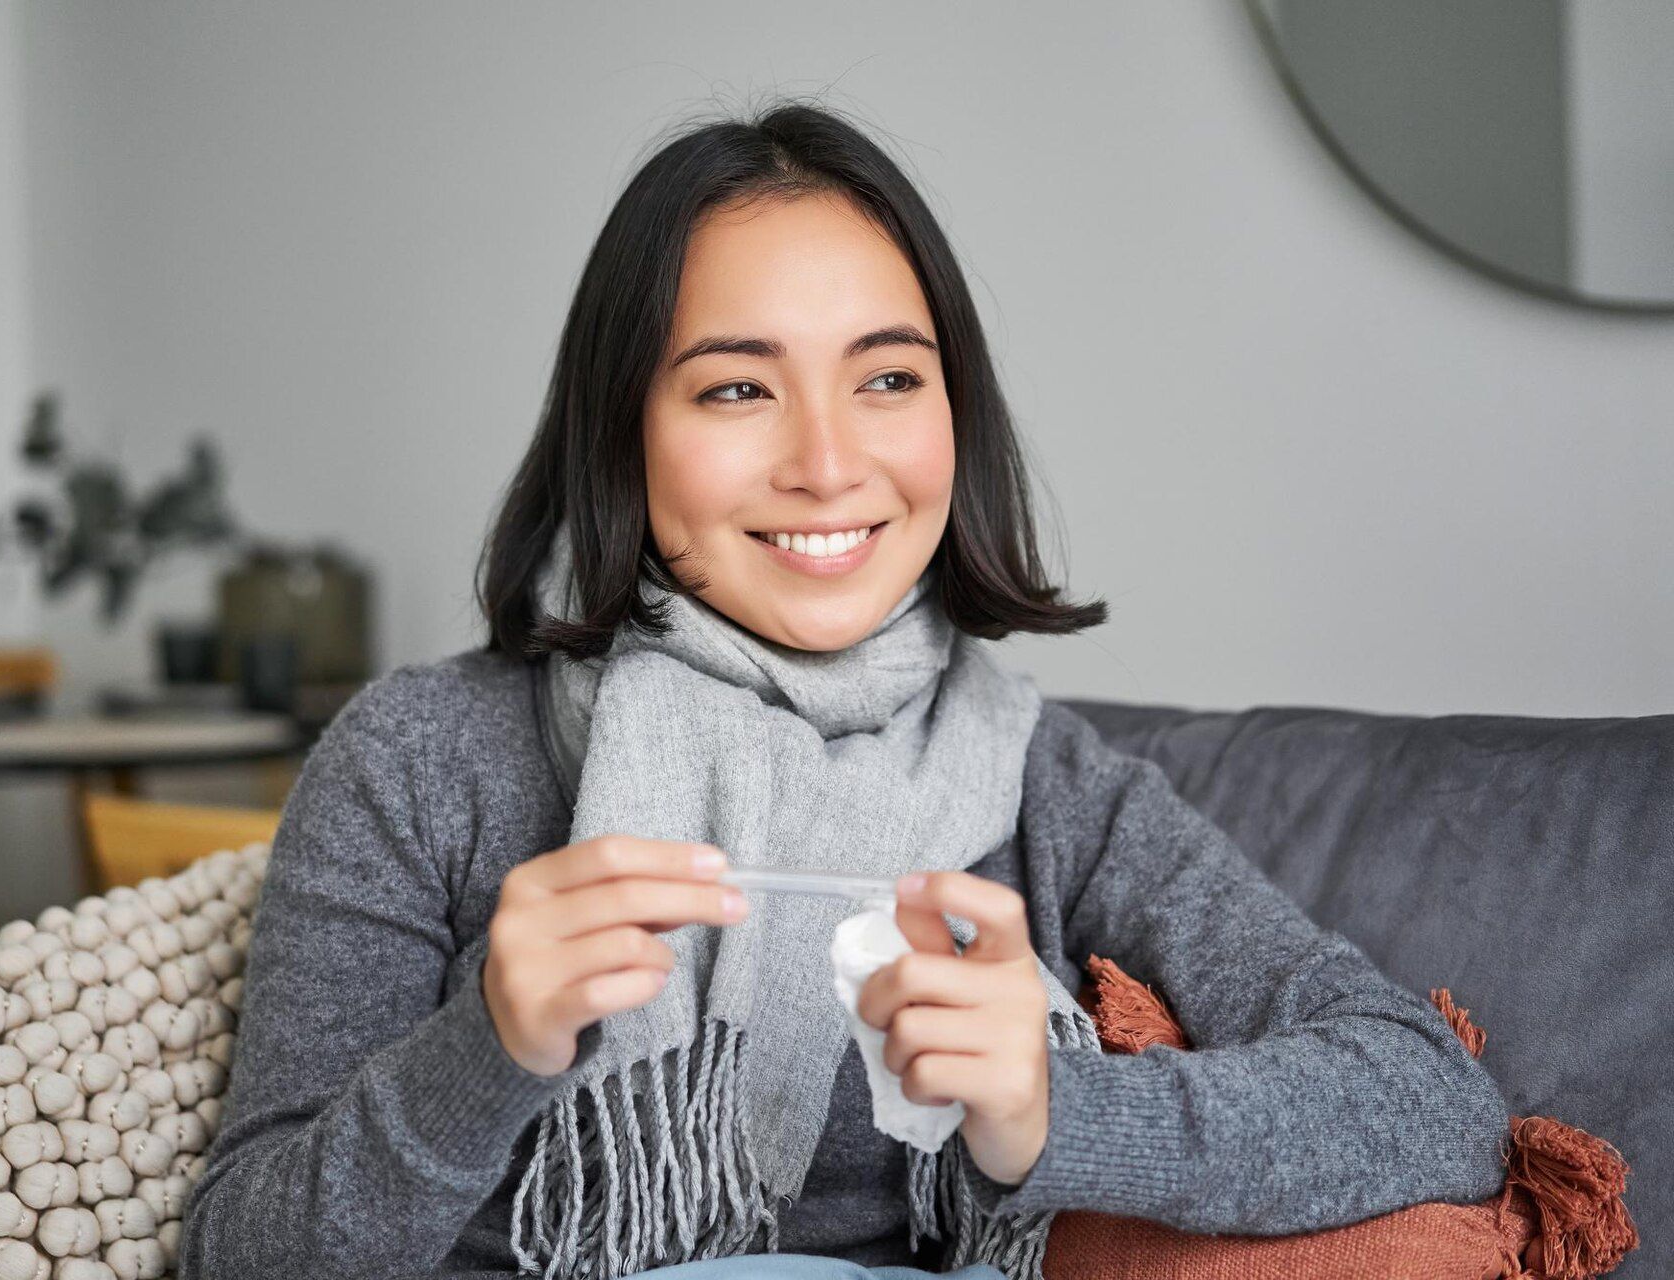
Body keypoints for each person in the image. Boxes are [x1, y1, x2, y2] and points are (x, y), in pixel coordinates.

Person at [178, 99, 1509, 1280]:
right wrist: (485, 1048)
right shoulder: (424, 760)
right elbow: (243, 1251)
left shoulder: (1046, 787)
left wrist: (1054, 1115)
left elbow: (1433, 1102)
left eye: (886, 379)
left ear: (954, 414)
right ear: (622, 431)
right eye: (737, 388)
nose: (827, 462)